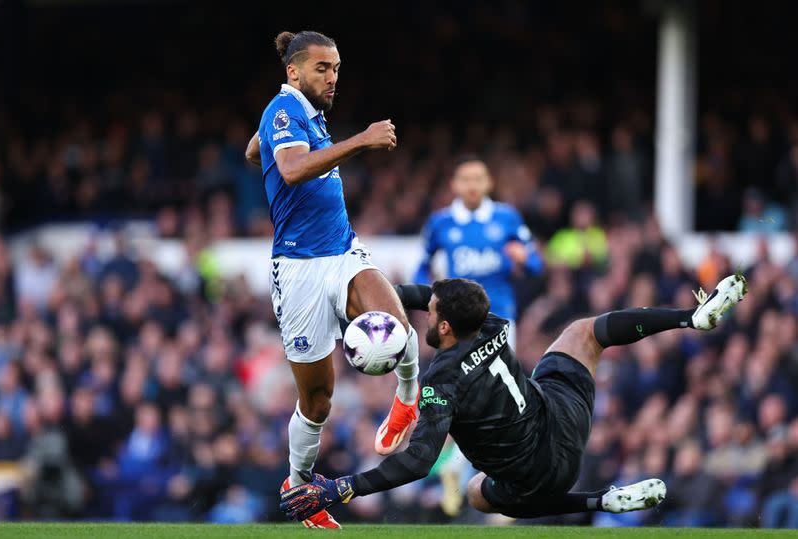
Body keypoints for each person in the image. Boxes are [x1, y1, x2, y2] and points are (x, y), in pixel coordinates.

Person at [280, 273, 748, 523]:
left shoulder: (441, 383)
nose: (428, 309)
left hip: (541, 477)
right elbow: (429, 295)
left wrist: (344, 487)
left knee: (477, 495)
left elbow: (419, 462)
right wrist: (374, 300)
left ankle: (599, 502)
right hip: (565, 415)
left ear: (443, 326)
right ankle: (690, 317)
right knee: (585, 331)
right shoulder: (493, 325)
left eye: (433, 312)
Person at [244, 30, 420, 528]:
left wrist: (262, 150)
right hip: (297, 270)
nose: (333, 76)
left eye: (337, 68)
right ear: (294, 71)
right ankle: (300, 487)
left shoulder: (300, 113)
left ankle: (406, 402)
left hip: (341, 250)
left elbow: (259, 152)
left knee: (396, 325)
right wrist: (362, 140)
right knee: (317, 400)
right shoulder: (285, 110)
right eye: (323, 67)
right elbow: (294, 169)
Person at [415, 155, 543, 347]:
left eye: (478, 179)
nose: (472, 186)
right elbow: (421, 268)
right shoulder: (440, 222)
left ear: (489, 182)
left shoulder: (507, 217)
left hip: (500, 316)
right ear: (454, 185)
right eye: (466, 180)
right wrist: (432, 299)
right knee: (459, 377)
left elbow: (536, 265)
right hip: (456, 321)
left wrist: (524, 259)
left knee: (500, 377)